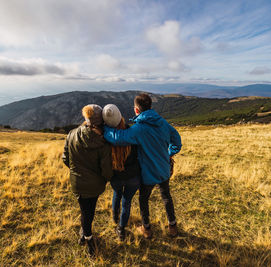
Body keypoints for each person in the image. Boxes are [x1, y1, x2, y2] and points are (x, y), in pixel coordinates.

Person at [103, 93, 182, 239]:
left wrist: (104, 128)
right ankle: (173, 226)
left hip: (148, 173)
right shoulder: (163, 123)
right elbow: (177, 141)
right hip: (164, 169)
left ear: (136, 110)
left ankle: (147, 229)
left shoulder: (139, 129)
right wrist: (169, 154)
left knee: (144, 199)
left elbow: (118, 138)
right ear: (150, 107)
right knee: (166, 197)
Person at [62, 104, 113, 256]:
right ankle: (89, 240)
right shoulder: (103, 143)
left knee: (85, 210)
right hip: (95, 185)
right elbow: (107, 170)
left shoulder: (72, 134)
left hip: (77, 183)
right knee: (88, 211)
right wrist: (105, 179)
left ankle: (84, 234)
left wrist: (76, 171)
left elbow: (65, 158)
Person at [102, 104, 141, 241]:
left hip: (116, 176)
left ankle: (114, 217)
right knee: (127, 202)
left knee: (117, 194)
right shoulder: (132, 132)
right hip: (133, 177)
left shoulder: (106, 137)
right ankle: (121, 228)